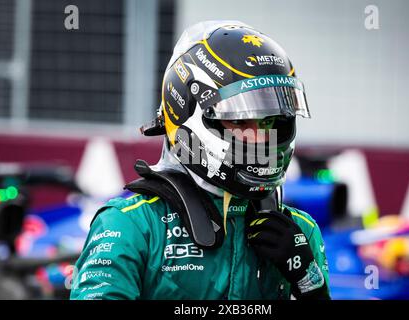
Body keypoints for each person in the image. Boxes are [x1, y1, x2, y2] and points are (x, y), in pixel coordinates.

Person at [70, 20, 330, 300]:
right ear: (187, 113)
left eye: (269, 123)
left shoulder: (301, 232)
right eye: (240, 121)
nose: (259, 139)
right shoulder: (132, 225)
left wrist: (310, 283)